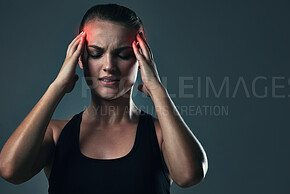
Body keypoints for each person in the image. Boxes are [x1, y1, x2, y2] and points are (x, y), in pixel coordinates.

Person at [0, 3, 208, 194]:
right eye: (96, 53)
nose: (109, 65)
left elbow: (189, 175)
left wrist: (157, 88)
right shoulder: (56, 134)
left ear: (141, 59)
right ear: (80, 58)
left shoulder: (161, 135)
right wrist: (57, 87)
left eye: (123, 54)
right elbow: (10, 170)